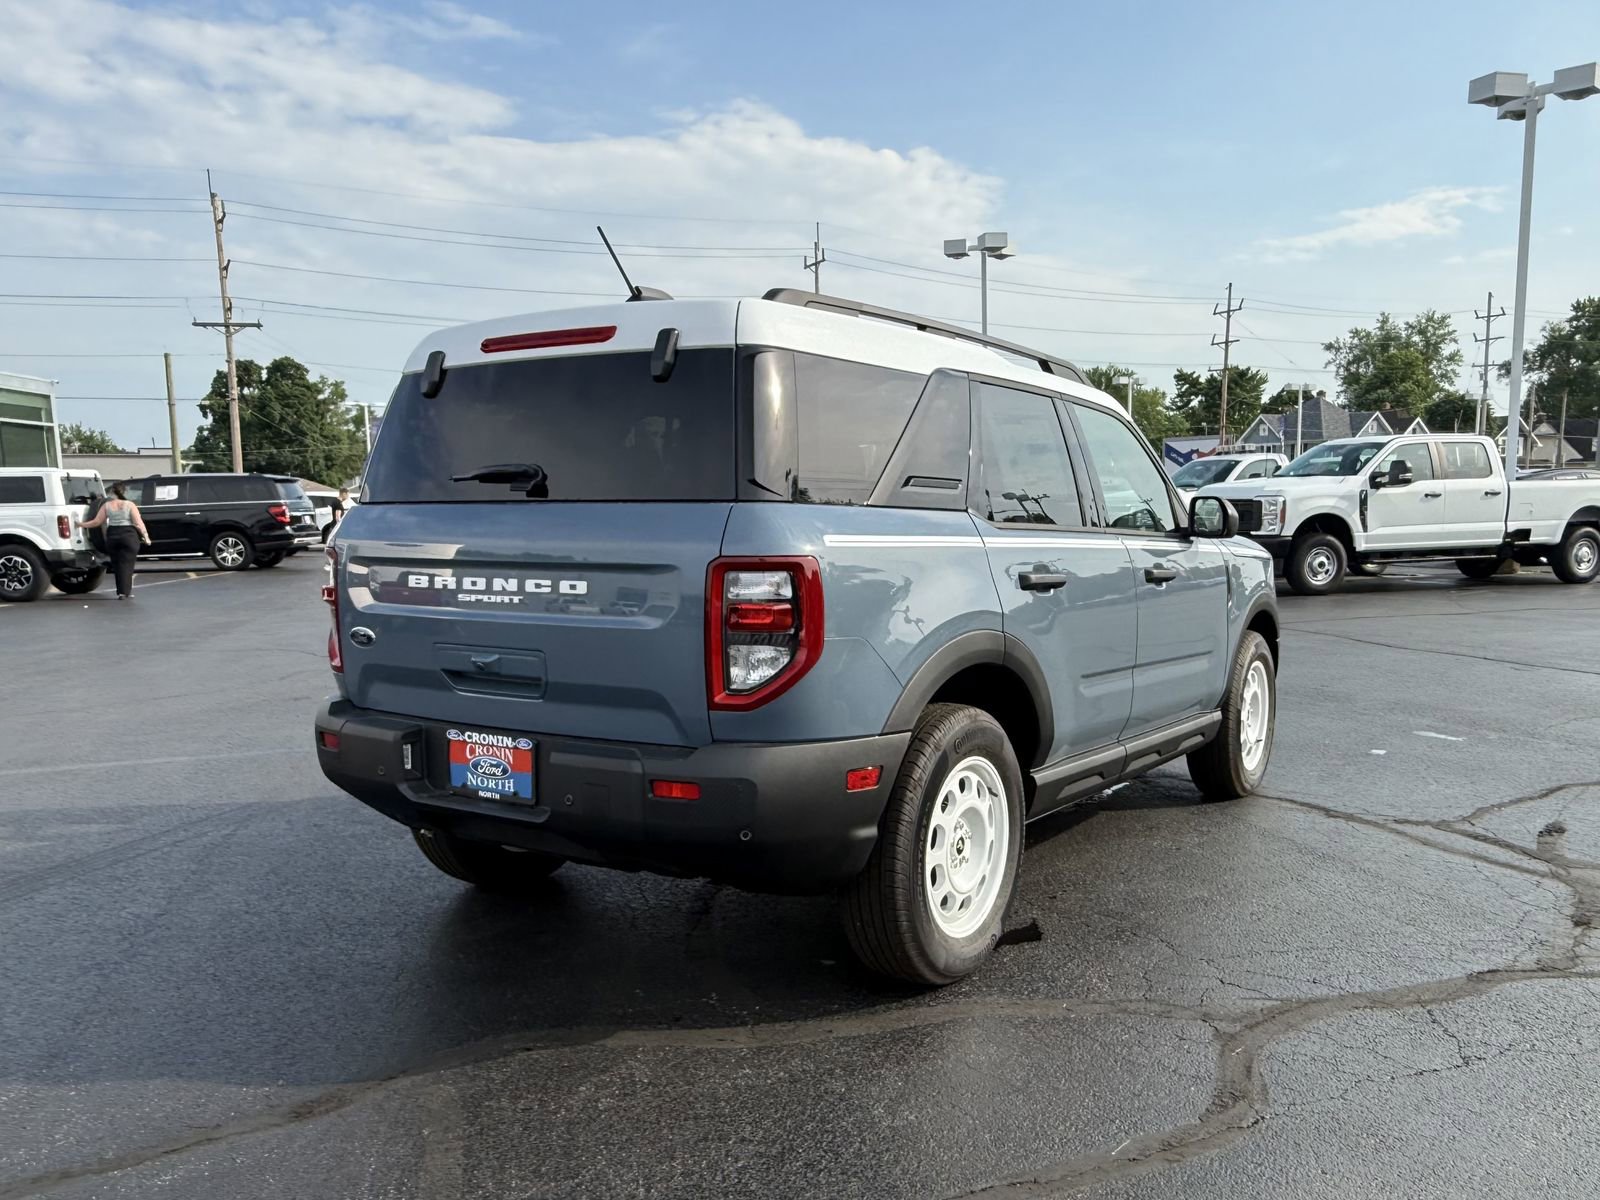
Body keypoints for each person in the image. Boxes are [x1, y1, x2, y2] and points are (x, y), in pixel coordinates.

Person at [78, 482, 151, 600]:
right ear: (124, 491)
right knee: (128, 565)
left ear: (112, 491)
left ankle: (121, 592)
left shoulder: (106, 505)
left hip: (113, 536)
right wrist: (146, 537)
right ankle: (126, 592)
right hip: (129, 536)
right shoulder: (130, 505)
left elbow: (97, 522)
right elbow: (138, 523)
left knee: (117, 565)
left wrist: (81, 524)